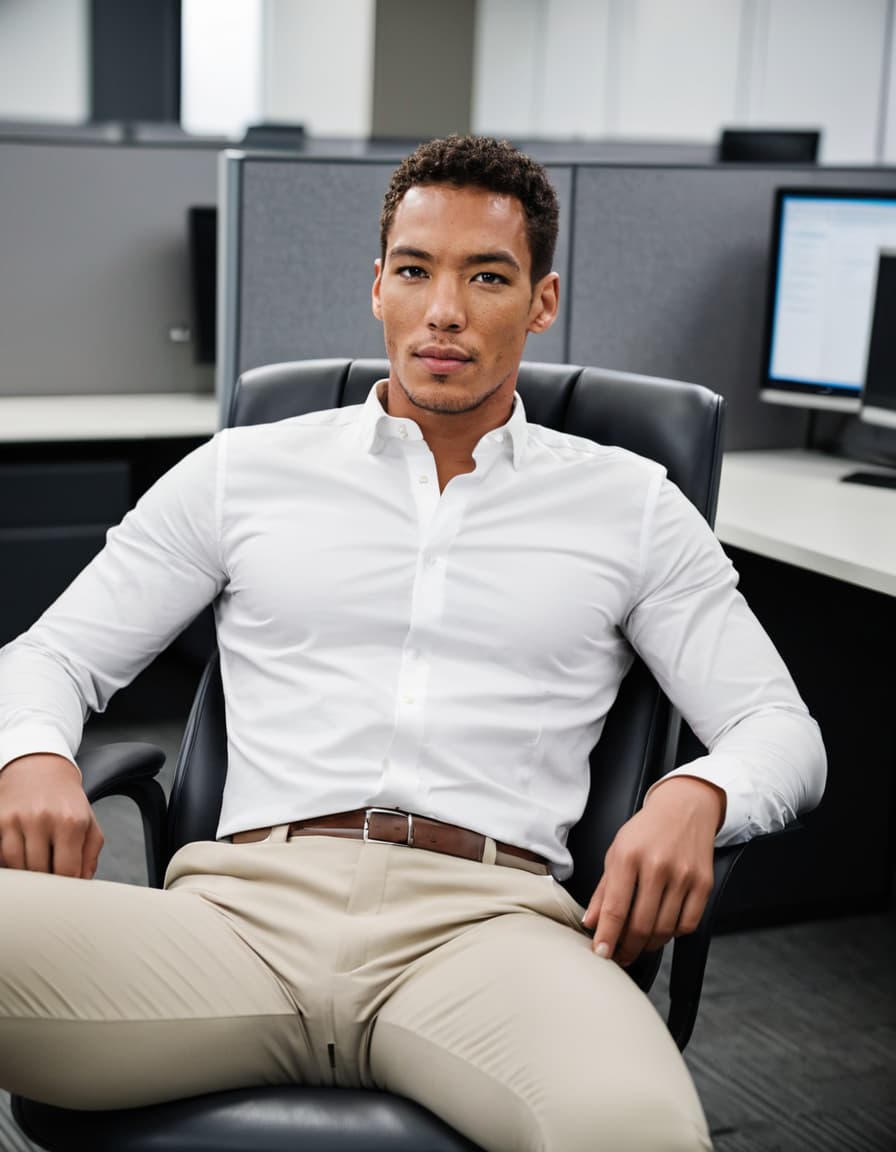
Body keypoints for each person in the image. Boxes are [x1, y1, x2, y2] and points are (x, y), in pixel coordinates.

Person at [0, 135, 825, 1152]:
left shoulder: (628, 507)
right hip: (234, 921)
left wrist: (696, 795)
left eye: (487, 276)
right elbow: (49, 657)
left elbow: (777, 729)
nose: (444, 310)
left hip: (491, 937)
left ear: (541, 300)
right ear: (377, 287)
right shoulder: (241, 472)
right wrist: (35, 752)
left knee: (636, 1133)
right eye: (414, 270)